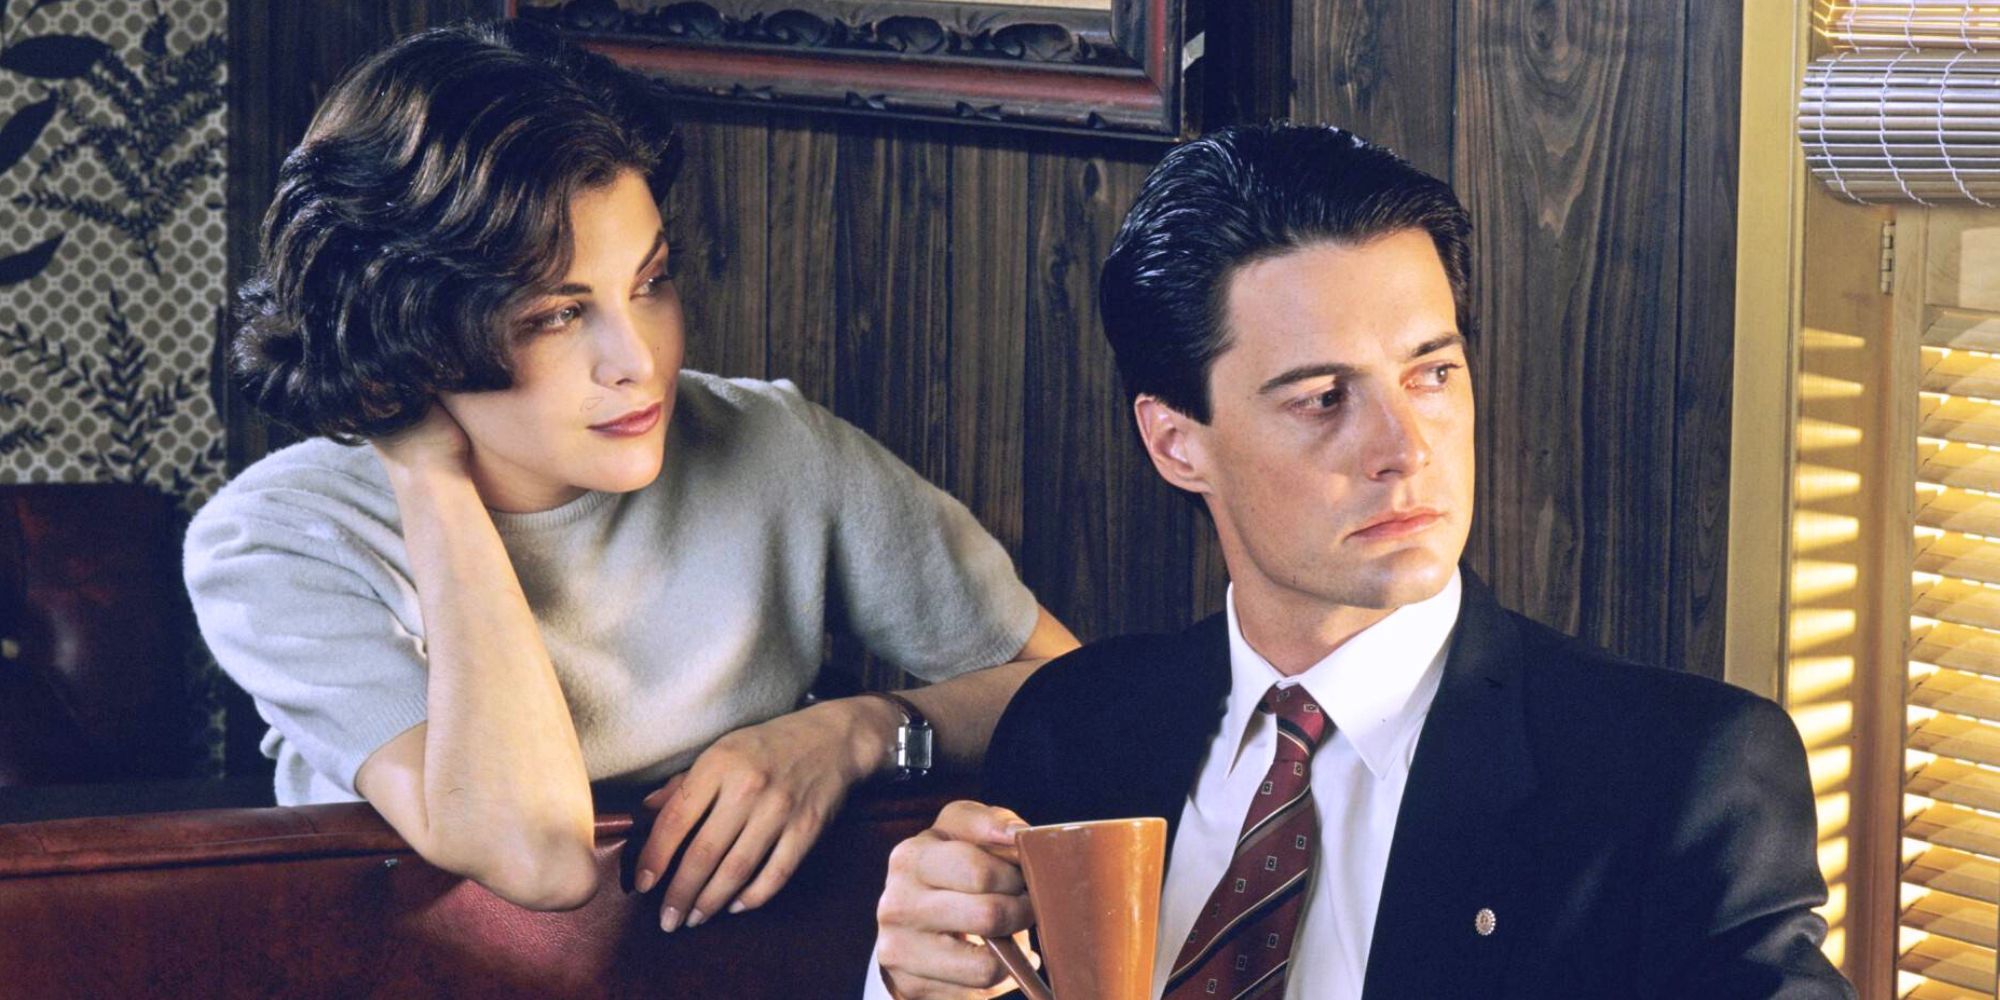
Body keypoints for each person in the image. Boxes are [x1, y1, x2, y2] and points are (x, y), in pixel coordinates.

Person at [869, 124, 1853, 999]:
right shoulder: (1074, 730)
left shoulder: (1673, 775)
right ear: (1178, 444)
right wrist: (909, 981)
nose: (1404, 447)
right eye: (1321, 397)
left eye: (1430, 372)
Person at [184, 20, 1077, 925]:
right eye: (558, 315)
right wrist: (429, 477)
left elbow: (1077, 699)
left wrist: (851, 732)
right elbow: (536, 856)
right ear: (412, 328)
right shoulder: (274, 543)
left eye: (649, 281)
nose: (637, 360)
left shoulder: (777, 449)